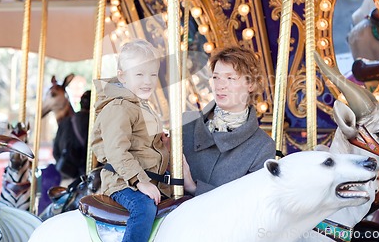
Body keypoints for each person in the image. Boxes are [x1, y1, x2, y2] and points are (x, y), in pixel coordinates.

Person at [91, 39, 170, 242]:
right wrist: (140, 181)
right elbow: (116, 151)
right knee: (143, 209)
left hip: (147, 179)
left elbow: (142, 144)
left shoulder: (139, 104)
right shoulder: (119, 107)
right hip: (122, 182)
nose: (148, 81)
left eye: (153, 74)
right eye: (139, 74)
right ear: (122, 76)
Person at [181, 45, 276, 196]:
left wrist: (193, 187)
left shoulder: (261, 146)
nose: (220, 85)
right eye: (216, 77)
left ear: (250, 84)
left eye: (230, 78)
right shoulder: (185, 124)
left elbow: (248, 201)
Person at [53, 90, 91, 180]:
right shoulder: (92, 122)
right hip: (86, 177)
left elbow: (55, 151)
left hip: (66, 176)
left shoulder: (65, 121)